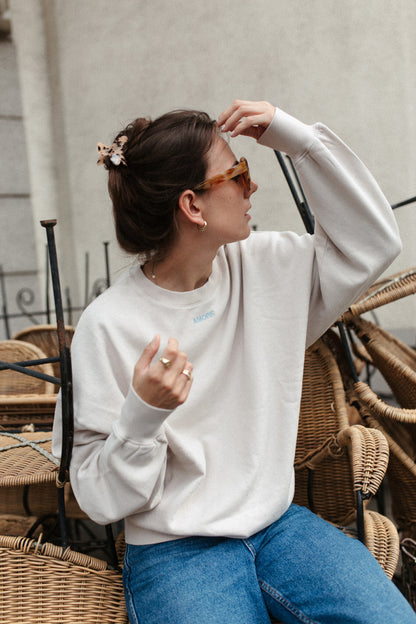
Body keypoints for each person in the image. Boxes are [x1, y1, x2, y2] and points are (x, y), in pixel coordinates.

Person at [53, 100, 415, 624]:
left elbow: (374, 243)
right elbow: (99, 500)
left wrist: (299, 142)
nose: (252, 187)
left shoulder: (267, 267)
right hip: (175, 552)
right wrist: (142, 417)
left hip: (280, 527)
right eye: (239, 173)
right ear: (192, 207)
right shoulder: (108, 326)